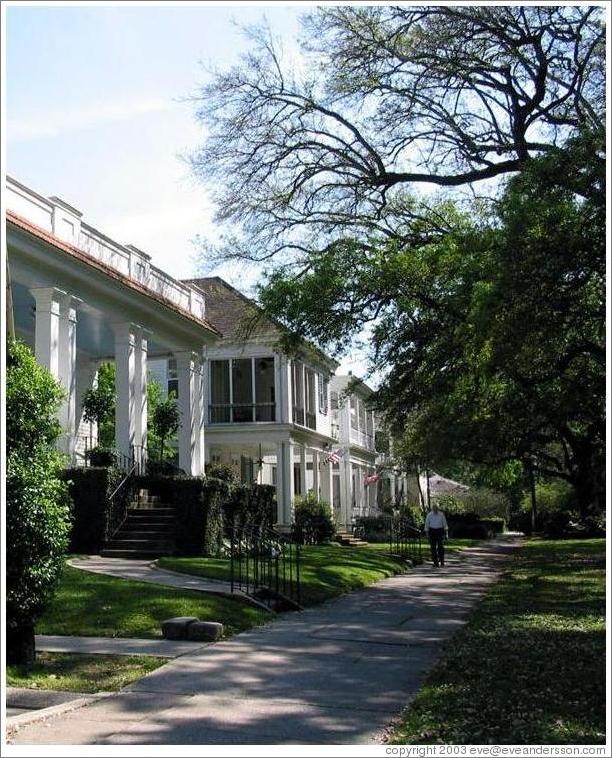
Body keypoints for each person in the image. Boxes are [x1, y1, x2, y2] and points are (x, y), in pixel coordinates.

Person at [424, 502, 449, 567]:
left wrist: (446, 533)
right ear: (432, 508)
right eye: (434, 508)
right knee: (433, 547)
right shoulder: (429, 515)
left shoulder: (441, 515)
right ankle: (435, 562)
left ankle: (442, 561)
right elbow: (426, 525)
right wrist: (427, 533)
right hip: (432, 531)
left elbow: (445, 524)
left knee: (441, 547)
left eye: (436, 508)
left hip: (439, 531)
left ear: (438, 508)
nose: (435, 509)